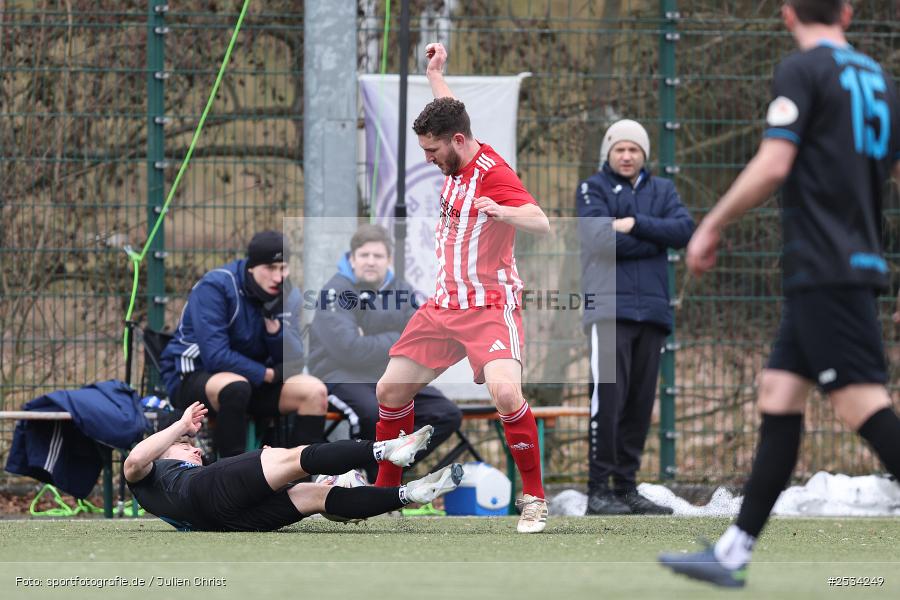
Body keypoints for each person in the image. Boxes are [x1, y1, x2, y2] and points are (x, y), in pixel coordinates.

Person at [659, 0, 900, 588]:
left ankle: (734, 552)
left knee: (859, 402)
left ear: (788, 15)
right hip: (846, 262)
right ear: (846, 13)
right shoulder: (882, 80)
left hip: (825, 265)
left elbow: (774, 162)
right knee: (778, 392)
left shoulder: (803, 70)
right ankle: (733, 552)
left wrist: (712, 222)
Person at [372, 42, 551, 534]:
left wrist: (504, 211)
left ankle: (534, 498)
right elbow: (451, 111)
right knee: (390, 388)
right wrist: (435, 74)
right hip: (444, 306)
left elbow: (541, 221)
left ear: (455, 140)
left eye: (432, 151)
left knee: (505, 390)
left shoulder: (495, 176)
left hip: (490, 306)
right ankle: (386, 497)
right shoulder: (457, 144)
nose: (428, 159)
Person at [576, 119, 694, 515]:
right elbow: (596, 239)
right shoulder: (592, 188)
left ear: (645, 154)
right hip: (608, 310)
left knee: (640, 404)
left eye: (634, 149)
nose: (627, 156)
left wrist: (636, 225)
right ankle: (598, 490)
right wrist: (654, 241)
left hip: (653, 313)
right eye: (619, 149)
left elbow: (684, 231)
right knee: (607, 401)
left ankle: (625, 486)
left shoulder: (663, 190)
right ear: (608, 153)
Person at [124, 401, 463, 531]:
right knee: (297, 457)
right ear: (165, 452)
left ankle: (409, 493)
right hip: (212, 501)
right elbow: (137, 458)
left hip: (227, 523)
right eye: (187, 448)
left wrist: (259, 463)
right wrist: (181, 427)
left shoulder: (169, 488)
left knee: (316, 495)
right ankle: (387, 449)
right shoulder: (148, 475)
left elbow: (224, 485)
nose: (196, 452)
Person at [307, 224, 462, 482]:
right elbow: (350, 350)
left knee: (446, 413)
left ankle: (390, 472)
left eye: (377, 256)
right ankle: (369, 484)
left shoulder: (401, 289)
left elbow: (422, 338)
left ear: (388, 260)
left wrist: (373, 339)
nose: (370, 262)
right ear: (352, 258)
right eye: (364, 255)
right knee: (371, 412)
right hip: (340, 374)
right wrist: (397, 337)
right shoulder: (334, 291)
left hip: (387, 374)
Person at [159, 231, 328, 459]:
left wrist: (276, 333)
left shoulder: (288, 295)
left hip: (255, 382)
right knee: (237, 387)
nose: (278, 277)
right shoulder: (215, 287)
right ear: (251, 267)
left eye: (283, 268)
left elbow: (295, 359)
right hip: (196, 375)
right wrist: (268, 374)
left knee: (314, 391)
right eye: (270, 268)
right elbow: (216, 356)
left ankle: (302, 480)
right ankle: (231, 479)